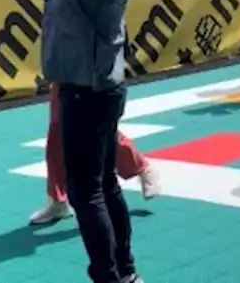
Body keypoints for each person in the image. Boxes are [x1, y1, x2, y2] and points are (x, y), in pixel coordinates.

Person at [31, 0, 145, 283]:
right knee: (106, 183)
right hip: (105, 83)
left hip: (86, 88)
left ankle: (108, 276)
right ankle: (125, 272)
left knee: (86, 191)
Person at [28, 84, 162, 226]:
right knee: (58, 131)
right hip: (64, 74)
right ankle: (58, 200)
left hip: (92, 76)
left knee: (97, 128)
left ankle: (140, 166)